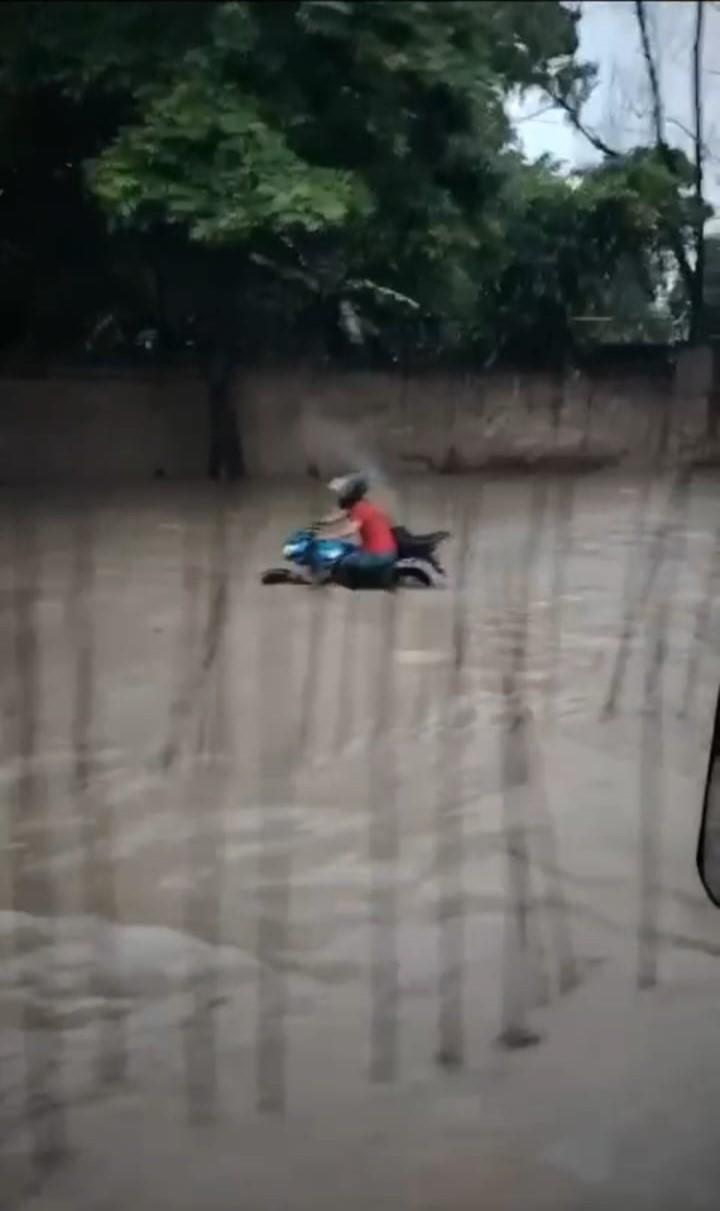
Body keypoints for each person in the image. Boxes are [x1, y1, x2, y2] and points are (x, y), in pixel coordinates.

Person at [317, 473, 397, 584]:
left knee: (340, 562)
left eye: (341, 493)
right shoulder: (362, 504)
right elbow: (341, 514)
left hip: (377, 555)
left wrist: (326, 536)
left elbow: (349, 531)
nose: (340, 496)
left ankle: (346, 588)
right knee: (347, 550)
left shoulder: (360, 508)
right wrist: (321, 522)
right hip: (385, 551)